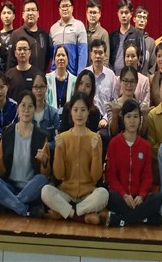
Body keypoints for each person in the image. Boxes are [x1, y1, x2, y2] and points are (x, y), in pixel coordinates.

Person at [41, 92, 108, 224]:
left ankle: (66, 212)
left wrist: (95, 152)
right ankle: (81, 216)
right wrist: (59, 149)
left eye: (83, 110)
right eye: (75, 110)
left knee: (103, 194)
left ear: (88, 112)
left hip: (88, 194)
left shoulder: (95, 138)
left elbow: (96, 177)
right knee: (45, 191)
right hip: (66, 193)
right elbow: (59, 175)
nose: (79, 114)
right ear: (70, 112)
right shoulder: (63, 138)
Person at [0, 91, 50, 218]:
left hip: (31, 187)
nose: (26, 110)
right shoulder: (7, 133)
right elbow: (1, 172)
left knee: (41, 180)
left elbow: (46, 175)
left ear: (34, 110)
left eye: (30, 106)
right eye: (23, 105)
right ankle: (23, 209)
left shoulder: (41, 136)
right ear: (18, 109)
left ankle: (10, 204)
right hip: (10, 186)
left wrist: (44, 161)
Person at [105, 99, 162, 227]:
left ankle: (121, 219)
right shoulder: (114, 144)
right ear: (123, 119)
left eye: (136, 117)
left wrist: (142, 196)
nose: (132, 121)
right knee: (109, 195)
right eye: (128, 116)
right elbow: (111, 176)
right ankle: (145, 218)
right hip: (120, 197)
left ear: (140, 119)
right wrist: (124, 195)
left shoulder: (145, 146)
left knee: (158, 197)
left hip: (139, 198)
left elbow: (147, 177)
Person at [7, 0, 52, 74]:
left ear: (38, 14)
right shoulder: (16, 34)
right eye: (28, 10)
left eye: (33, 10)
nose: (30, 13)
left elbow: (47, 59)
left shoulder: (44, 35)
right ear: (23, 14)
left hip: (40, 79)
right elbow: (11, 61)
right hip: (21, 78)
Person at [50, 0, 88, 74]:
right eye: (62, 6)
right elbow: (52, 54)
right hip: (56, 75)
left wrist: (80, 75)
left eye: (67, 6)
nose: (65, 9)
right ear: (59, 9)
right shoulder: (53, 28)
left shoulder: (79, 26)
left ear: (72, 8)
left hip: (73, 74)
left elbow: (83, 53)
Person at [84, 39, 114, 131]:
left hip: (104, 121)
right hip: (86, 119)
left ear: (105, 55)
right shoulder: (84, 74)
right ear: (90, 55)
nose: (97, 56)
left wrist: (105, 118)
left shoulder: (111, 75)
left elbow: (114, 100)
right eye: (95, 52)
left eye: (100, 53)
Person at [109, 0, 144, 75]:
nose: (124, 15)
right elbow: (108, 58)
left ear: (131, 14)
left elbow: (142, 58)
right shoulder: (112, 36)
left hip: (131, 76)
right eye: (121, 13)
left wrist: (134, 74)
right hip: (114, 76)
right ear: (118, 14)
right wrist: (111, 74)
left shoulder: (137, 34)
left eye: (126, 12)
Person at [108, 66, 141, 138]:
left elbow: (142, 133)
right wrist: (115, 114)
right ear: (120, 81)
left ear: (136, 83)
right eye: (125, 81)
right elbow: (113, 132)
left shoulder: (140, 106)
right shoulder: (112, 105)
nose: (129, 85)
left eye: (132, 81)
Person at [114, 42, 150, 108]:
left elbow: (145, 103)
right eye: (127, 56)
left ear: (138, 58)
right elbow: (115, 100)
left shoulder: (144, 80)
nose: (130, 59)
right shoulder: (117, 79)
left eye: (133, 56)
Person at [6, 37, 42, 101]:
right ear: (15, 53)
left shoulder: (37, 74)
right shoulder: (9, 75)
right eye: (19, 49)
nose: (22, 52)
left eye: (25, 49)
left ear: (29, 53)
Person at [31, 73, 60, 152]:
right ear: (32, 89)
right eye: (36, 87)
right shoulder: (27, 112)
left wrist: (45, 146)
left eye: (41, 87)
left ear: (46, 88)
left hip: (48, 155)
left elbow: (57, 140)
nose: (39, 90)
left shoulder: (53, 113)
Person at [46, 46, 77, 117]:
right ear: (54, 59)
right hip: (51, 118)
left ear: (68, 59)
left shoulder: (74, 80)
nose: (61, 58)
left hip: (69, 118)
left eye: (63, 55)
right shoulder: (47, 79)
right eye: (58, 55)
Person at [0, 1, 15, 73]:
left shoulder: (17, 35)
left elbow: (13, 57)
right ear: (0, 16)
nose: (6, 16)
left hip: (12, 74)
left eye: (9, 13)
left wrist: (0, 47)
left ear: (13, 16)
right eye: (4, 13)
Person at [85, 0, 110, 67]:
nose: (92, 15)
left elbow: (106, 58)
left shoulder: (103, 33)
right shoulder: (83, 31)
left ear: (99, 14)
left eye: (94, 13)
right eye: (90, 12)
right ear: (87, 14)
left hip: (98, 70)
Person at [133, 6, 156, 75]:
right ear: (134, 19)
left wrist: (147, 78)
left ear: (146, 21)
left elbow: (153, 66)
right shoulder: (129, 38)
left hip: (145, 78)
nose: (142, 20)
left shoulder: (151, 42)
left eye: (144, 18)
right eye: (139, 17)